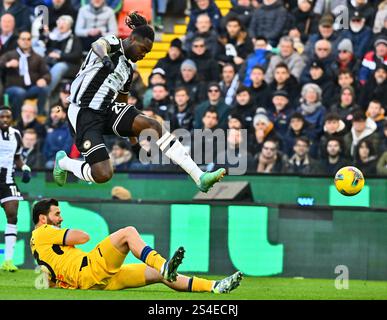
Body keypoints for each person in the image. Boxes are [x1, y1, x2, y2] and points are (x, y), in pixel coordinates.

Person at [53, 13, 225, 193]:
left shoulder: (128, 71)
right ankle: (64, 162)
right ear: (133, 39)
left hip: (106, 110)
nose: (144, 55)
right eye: (143, 49)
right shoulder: (112, 44)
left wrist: (134, 142)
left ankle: (199, 176)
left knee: (152, 124)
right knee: (103, 174)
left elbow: (123, 104)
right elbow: (97, 45)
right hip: (83, 113)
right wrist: (105, 59)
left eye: (148, 53)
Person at [30, 198, 243, 292]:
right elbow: (83, 237)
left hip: (96, 282)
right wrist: (62, 234)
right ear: (43, 218)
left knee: (157, 275)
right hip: (90, 269)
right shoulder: (44, 232)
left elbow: (45, 279)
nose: (60, 218)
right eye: (56, 214)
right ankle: (164, 265)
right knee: (128, 233)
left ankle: (214, 287)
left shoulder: (36, 244)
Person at [0, 106, 31, 272]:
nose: (5, 120)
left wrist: (24, 168)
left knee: (12, 215)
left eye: (8, 117)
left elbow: (17, 157)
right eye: (2, 117)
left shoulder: (16, 135)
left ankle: (8, 261)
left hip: (7, 180)